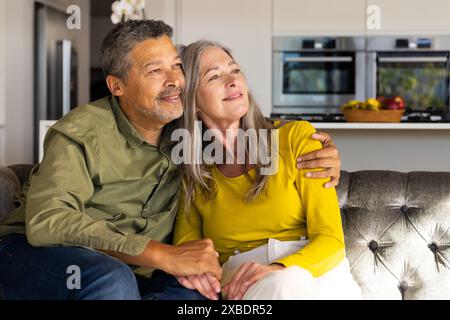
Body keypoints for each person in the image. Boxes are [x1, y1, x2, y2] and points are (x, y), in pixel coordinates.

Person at [0, 20, 341, 300]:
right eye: (154, 70)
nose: (174, 80)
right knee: (111, 281)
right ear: (117, 86)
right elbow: (49, 221)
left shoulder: (187, 128)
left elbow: (241, 122)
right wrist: (158, 254)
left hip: (142, 270)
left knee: (197, 299)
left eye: (176, 66)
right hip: (39, 255)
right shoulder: (80, 132)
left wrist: (318, 146)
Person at [173, 40, 361, 300]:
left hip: (318, 274)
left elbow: (331, 240)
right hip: (246, 285)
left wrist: (278, 269)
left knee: (289, 282)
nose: (232, 81)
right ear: (192, 99)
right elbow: (188, 248)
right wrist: (197, 272)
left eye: (235, 70)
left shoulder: (296, 138)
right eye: (214, 76)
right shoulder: (193, 171)